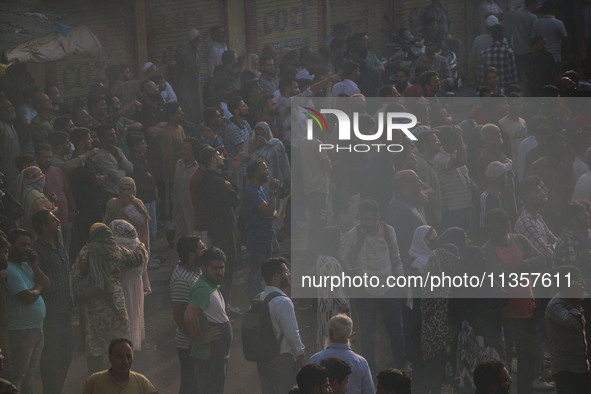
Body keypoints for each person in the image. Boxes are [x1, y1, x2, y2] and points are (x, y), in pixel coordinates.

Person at [70, 223, 147, 374]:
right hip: (116, 302)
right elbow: (136, 259)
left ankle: (96, 378)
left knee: (95, 342)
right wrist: (141, 247)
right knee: (120, 340)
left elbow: (74, 276)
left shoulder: (87, 250)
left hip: (94, 305)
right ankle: (121, 376)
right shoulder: (115, 249)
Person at [482, 209, 544, 394]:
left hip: (527, 307)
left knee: (527, 356)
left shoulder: (520, 240)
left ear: (507, 225)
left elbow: (541, 259)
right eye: (489, 229)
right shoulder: (487, 248)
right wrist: (522, 267)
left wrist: (521, 265)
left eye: (496, 228)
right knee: (504, 359)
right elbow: (498, 276)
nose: (492, 233)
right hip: (505, 311)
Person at [340, 200, 406, 370]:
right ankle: (368, 368)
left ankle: (401, 366)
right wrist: (352, 271)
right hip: (365, 289)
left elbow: (396, 258)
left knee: (396, 329)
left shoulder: (389, 232)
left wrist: (401, 280)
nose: (364, 224)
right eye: (362, 220)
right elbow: (344, 260)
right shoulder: (353, 234)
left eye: (368, 220)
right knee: (367, 333)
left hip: (388, 287)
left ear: (378, 217)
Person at [31, 210, 73, 394]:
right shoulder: (37, 249)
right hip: (51, 310)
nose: (57, 221)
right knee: (50, 356)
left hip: (66, 307)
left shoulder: (59, 242)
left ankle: (57, 388)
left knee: (66, 352)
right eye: (51, 219)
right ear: (43, 226)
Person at [5, 228, 49, 394]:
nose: (27, 249)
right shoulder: (9, 269)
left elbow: (48, 286)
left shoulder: (26, 265)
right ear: (11, 245)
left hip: (37, 329)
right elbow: (27, 297)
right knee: (18, 376)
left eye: (29, 245)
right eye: (22, 245)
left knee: (30, 373)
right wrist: (38, 287)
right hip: (21, 331)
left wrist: (36, 268)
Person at [184, 247, 232, 394]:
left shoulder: (211, 285)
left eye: (222, 267)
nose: (219, 272)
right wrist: (202, 337)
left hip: (217, 353)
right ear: (204, 268)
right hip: (209, 355)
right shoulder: (203, 289)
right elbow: (189, 317)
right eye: (215, 268)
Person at [257, 257, 306, 394]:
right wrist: (301, 357)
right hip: (282, 360)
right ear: (277, 276)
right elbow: (292, 334)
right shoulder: (283, 302)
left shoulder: (258, 298)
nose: (289, 274)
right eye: (286, 271)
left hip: (263, 360)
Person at [198, 146, 241, 302]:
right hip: (223, 231)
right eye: (218, 155)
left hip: (220, 228)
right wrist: (235, 171)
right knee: (224, 271)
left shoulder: (214, 179)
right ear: (212, 159)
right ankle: (221, 307)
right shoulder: (215, 182)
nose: (222, 156)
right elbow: (234, 197)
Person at [545, 265, 590, 393]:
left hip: (580, 365)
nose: (582, 284)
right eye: (578, 281)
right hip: (566, 368)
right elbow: (571, 324)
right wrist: (577, 304)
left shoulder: (571, 301)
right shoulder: (556, 304)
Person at [170, 235, 206, 394]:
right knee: (191, 386)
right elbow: (178, 315)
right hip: (189, 344)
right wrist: (196, 338)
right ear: (192, 255)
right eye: (202, 248)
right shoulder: (182, 279)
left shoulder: (195, 269)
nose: (205, 250)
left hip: (197, 340)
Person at [109, 220, 150, 351]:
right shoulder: (141, 248)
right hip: (136, 289)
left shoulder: (115, 251)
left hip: (119, 291)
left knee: (121, 320)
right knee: (134, 316)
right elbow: (144, 271)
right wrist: (145, 285)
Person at [242, 160, 279, 300]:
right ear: (256, 174)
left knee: (266, 273)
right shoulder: (250, 191)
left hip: (267, 236)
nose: (267, 172)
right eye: (264, 169)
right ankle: (253, 302)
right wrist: (273, 192)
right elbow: (270, 211)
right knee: (256, 273)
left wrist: (269, 213)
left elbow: (273, 213)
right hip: (257, 238)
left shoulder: (261, 190)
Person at [309, 314, 375, 394]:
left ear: (330, 333)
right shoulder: (361, 363)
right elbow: (370, 391)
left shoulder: (315, 360)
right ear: (350, 334)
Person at [314, 227, 350, 352]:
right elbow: (336, 291)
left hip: (323, 308)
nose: (342, 240)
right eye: (340, 237)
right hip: (334, 310)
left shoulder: (321, 259)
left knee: (325, 338)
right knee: (336, 343)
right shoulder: (331, 262)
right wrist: (346, 310)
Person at [82, 338, 157, 394]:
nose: (126, 361)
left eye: (129, 356)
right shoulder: (94, 382)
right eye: (120, 357)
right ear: (110, 358)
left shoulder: (142, 382)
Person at [104, 177, 151, 257]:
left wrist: (129, 206)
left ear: (133, 190)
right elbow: (108, 221)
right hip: (118, 242)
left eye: (129, 189)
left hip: (134, 242)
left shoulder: (138, 204)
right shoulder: (113, 203)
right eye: (124, 189)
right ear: (119, 190)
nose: (126, 192)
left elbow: (142, 222)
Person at [93, 124, 134, 207]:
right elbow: (118, 176)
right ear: (102, 139)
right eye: (111, 135)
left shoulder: (117, 150)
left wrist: (119, 158)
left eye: (114, 134)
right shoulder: (100, 156)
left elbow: (130, 169)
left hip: (123, 194)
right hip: (111, 195)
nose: (115, 137)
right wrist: (124, 170)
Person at [173, 138, 200, 240]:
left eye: (186, 149)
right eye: (181, 149)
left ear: (193, 151)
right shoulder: (178, 165)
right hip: (179, 209)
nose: (182, 152)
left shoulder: (198, 168)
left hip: (193, 210)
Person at [174, 29, 203, 125]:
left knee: (197, 108)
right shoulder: (183, 53)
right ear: (192, 39)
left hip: (195, 85)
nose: (200, 41)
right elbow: (177, 72)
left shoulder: (197, 51)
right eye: (198, 39)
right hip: (185, 85)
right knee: (188, 109)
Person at [16, 166, 55, 235]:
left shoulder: (31, 191)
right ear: (31, 178)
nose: (43, 176)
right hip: (38, 231)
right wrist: (55, 208)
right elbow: (44, 213)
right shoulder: (33, 194)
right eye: (39, 174)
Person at [478, 25, 518, 90]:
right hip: (505, 91)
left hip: (489, 93)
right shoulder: (508, 52)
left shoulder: (484, 53)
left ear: (492, 37)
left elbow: (481, 77)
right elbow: (513, 76)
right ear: (502, 37)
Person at [0, 98, 21, 189]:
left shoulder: (9, 124)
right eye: (8, 107)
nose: (12, 108)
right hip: (6, 175)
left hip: (16, 171)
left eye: (12, 106)